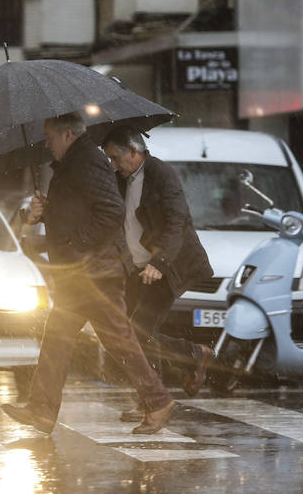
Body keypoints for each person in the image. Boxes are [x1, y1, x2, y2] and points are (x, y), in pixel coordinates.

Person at [1, 113, 176, 435]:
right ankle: (42, 409)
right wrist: (38, 213)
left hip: (96, 271)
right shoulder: (74, 163)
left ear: (68, 135)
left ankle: (158, 400)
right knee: (59, 338)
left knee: (117, 339)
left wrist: (76, 243)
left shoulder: (87, 160)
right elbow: (78, 210)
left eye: (50, 137)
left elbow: (111, 210)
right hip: (83, 272)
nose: (47, 144)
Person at [101, 126, 216, 421]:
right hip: (139, 269)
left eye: (116, 158)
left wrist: (159, 262)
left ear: (134, 152)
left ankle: (154, 399)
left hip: (168, 267)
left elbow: (177, 222)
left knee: (138, 331)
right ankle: (190, 358)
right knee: (132, 332)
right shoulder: (120, 178)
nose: (113, 164)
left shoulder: (162, 175)